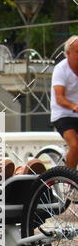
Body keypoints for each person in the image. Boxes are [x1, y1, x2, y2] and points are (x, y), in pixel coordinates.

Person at [50, 34, 78, 169]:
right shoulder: (60, 69)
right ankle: (70, 181)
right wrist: (74, 106)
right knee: (75, 145)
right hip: (63, 115)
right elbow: (59, 97)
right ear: (67, 53)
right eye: (77, 52)